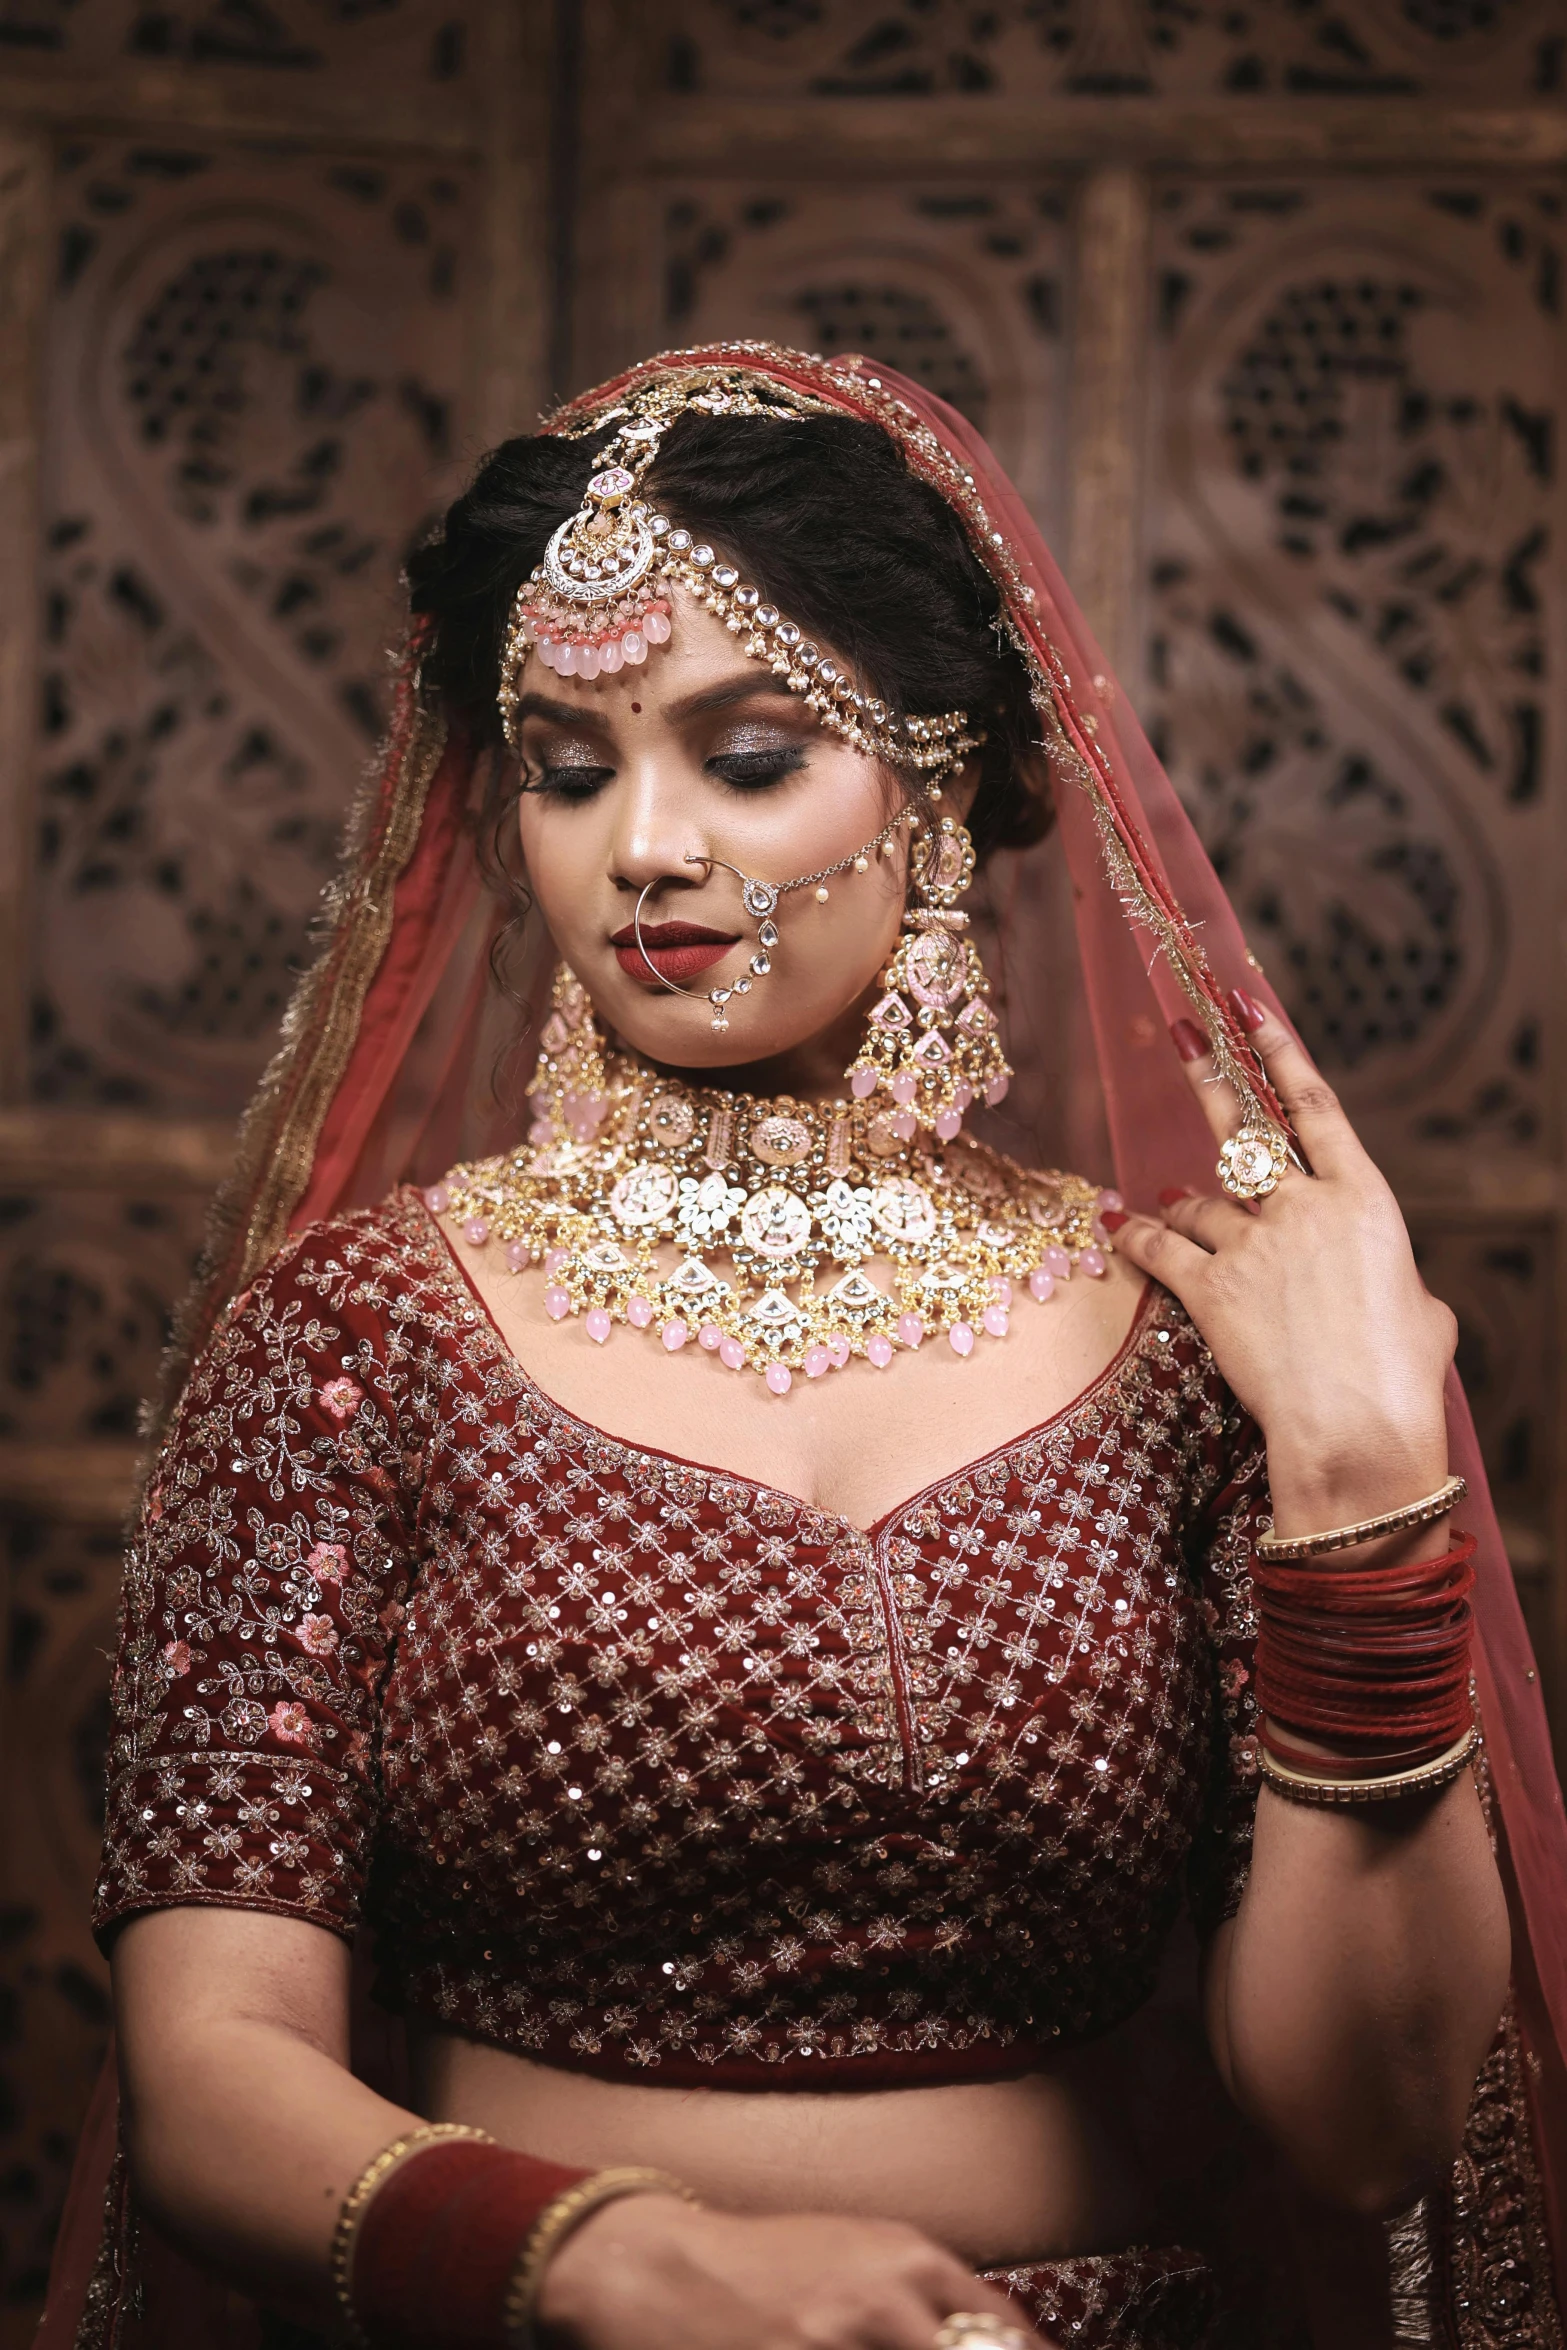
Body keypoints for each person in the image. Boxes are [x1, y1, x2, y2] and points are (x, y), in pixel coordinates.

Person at [35, 348, 1567, 2350]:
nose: (644, 846)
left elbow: (1363, 2128)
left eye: (747, 753)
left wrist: (1367, 1481)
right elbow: (210, 2081)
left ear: (939, 786)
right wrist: (618, 2257)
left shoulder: (1184, 1343)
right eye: (571, 766)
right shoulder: (359, 1337)